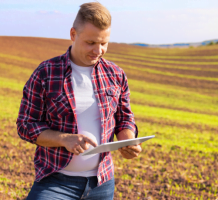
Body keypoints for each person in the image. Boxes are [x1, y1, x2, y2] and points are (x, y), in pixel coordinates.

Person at [16, 2, 141, 200]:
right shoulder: (46, 72)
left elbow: (124, 118)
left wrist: (127, 140)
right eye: (91, 43)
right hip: (55, 181)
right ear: (73, 34)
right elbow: (25, 125)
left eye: (104, 43)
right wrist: (64, 139)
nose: (98, 50)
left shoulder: (116, 74)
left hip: (102, 183)